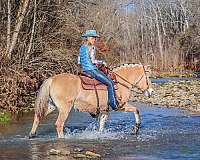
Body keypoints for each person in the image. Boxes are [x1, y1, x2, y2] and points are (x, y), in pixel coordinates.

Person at [78, 29, 119, 111]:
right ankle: (113, 104)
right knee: (110, 83)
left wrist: (83, 67)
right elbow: (93, 61)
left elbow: (79, 60)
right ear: (88, 38)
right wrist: (102, 62)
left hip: (84, 70)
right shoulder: (92, 47)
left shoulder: (82, 47)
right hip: (92, 70)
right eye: (93, 37)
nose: (94, 39)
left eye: (95, 38)